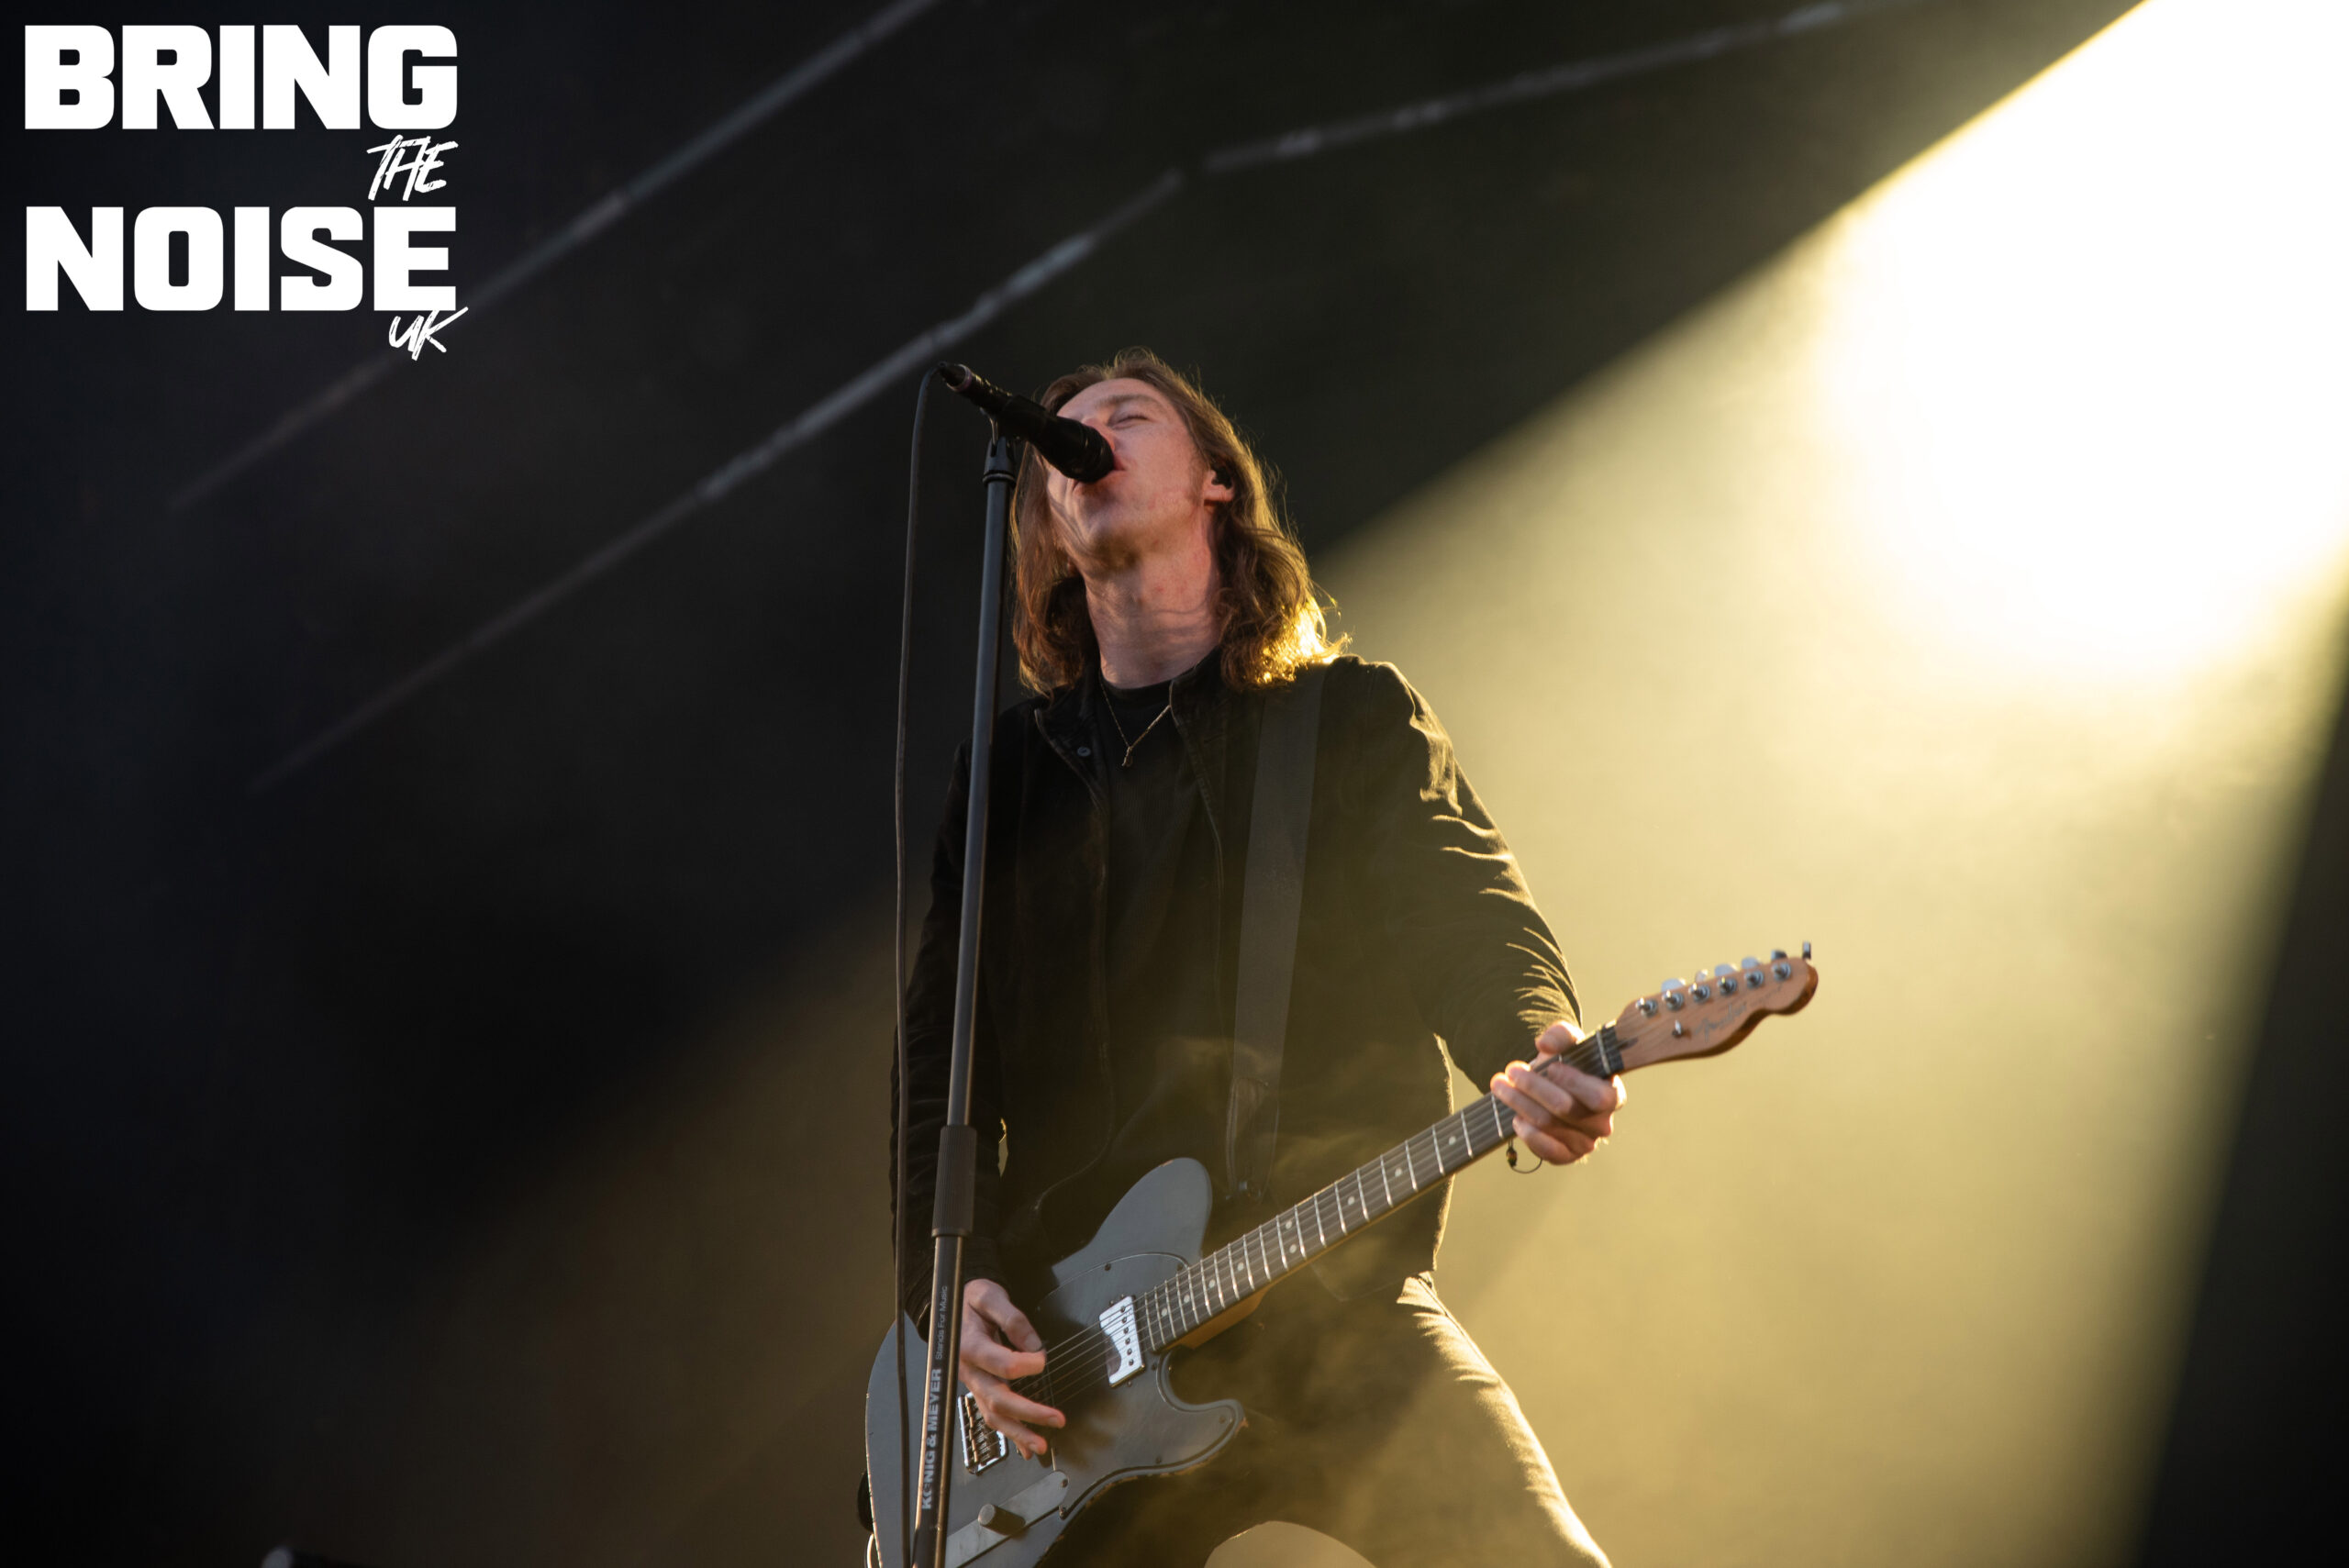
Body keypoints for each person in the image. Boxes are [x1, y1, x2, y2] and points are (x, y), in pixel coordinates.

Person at [896, 348, 1620, 1567]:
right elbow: (937, 1062)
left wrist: (1530, 1035)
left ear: (1214, 482)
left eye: (1128, 415)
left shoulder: (1345, 723)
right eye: (1061, 438)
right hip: (1080, 1371)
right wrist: (949, 1287)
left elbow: (1466, 909)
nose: (1085, 441)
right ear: (1049, 526)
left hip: (1332, 1301)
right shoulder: (1010, 780)